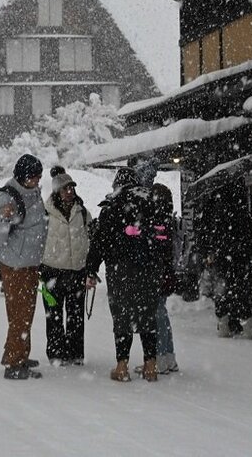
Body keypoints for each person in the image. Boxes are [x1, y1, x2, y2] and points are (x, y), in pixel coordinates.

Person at [87, 163, 165, 383]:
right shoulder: (151, 202)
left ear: (117, 183)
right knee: (147, 316)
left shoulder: (112, 205)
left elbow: (100, 242)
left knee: (122, 317)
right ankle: (151, 365)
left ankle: (122, 366)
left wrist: (91, 269)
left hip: (120, 271)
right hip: (148, 270)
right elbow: (162, 239)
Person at [0, 154, 48, 380]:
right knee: (19, 315)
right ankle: (13, 363)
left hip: (30, 263)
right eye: (33, 177)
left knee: (26, 313)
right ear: (22, 176)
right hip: (14, 264)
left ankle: (20, 354)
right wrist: (4, 219)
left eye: (39, 177)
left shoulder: (34, 193)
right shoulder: (6, 198)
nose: (37, 181)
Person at [40, 170, 92, 366]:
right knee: (53, 315)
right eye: (65, 189)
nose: (69, 192)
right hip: (50, 272)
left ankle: (75, 353)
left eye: (71, 188)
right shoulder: (45, 213)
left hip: (77, 271)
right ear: (56, 192)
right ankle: (55, 354)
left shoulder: (83, 212)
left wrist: (90, 267)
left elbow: (90, 238)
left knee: (76, 316)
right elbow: (38, 241)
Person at [204, 183, 252, 339]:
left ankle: (224, 326)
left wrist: (211, 252)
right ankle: (247, 328)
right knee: (241, 292)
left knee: (223, 292)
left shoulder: (218, 210)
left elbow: (213, 234)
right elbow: (250, 233)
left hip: (223, 257)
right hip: (241, 257)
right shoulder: (242, 211)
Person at [151, 183, 179, 374]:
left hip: (158, 272)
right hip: (166, 272)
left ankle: (160, 357)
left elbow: (157, 244)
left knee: (157, 314)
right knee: (162, 313)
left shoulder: (158, 221)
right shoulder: (168, 219)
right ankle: (169, 357)